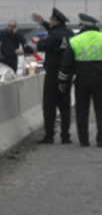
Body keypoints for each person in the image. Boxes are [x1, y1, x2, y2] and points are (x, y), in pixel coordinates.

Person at [58, 13, 102, 148]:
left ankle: (84, 141)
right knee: (101, 109)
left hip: (82, 80)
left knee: (82, 110)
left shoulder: (75, 40)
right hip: (101, 80)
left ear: (83, 25)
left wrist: (62, 80)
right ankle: (100, 140)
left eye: (80, 25)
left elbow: (66, 64)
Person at [22, 9, 75, 144]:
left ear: (56, 21)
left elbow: (41, 44)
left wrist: (24, 50)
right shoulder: (69, 33)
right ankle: (65, 136)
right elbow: (56, 33)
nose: (50, 22)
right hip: (67, 73)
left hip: (53, 74)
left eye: (51, 20)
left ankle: (49, 135)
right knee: (65, 105)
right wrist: (43, 23)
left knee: (50, 105)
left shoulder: (54, 35)